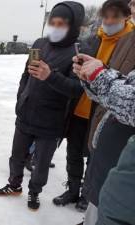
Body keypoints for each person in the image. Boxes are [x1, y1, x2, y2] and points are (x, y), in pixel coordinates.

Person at [0, 1, 85, 211]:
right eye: (52, 21)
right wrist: (21, 97)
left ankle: (34, 192)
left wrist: (50, 76)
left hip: (51, 121)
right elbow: (26, 74)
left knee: (41, 164)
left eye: (61, 23)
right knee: (16, 156)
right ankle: (14, 185)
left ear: (73, 26)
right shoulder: (40, 42)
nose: (55, 26)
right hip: (26, 113)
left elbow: (77, 89)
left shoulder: (77, 51)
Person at [53, 0, 135, 212]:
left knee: (94, 154)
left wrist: (100, 74)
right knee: (73, 152)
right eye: (105, 17)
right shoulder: (92, 39)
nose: (108, 22)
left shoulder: (129, 41)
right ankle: (72, 189)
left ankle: (87, 195)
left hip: (107, 110)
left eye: (114, 17)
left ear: (126, 16)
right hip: (80, 105)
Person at [72, 54, 135, 225]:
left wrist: (100, 76)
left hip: (124, 192)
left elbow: (130, 103)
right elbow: (121, 91)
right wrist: (91, 78)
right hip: (109, 173)